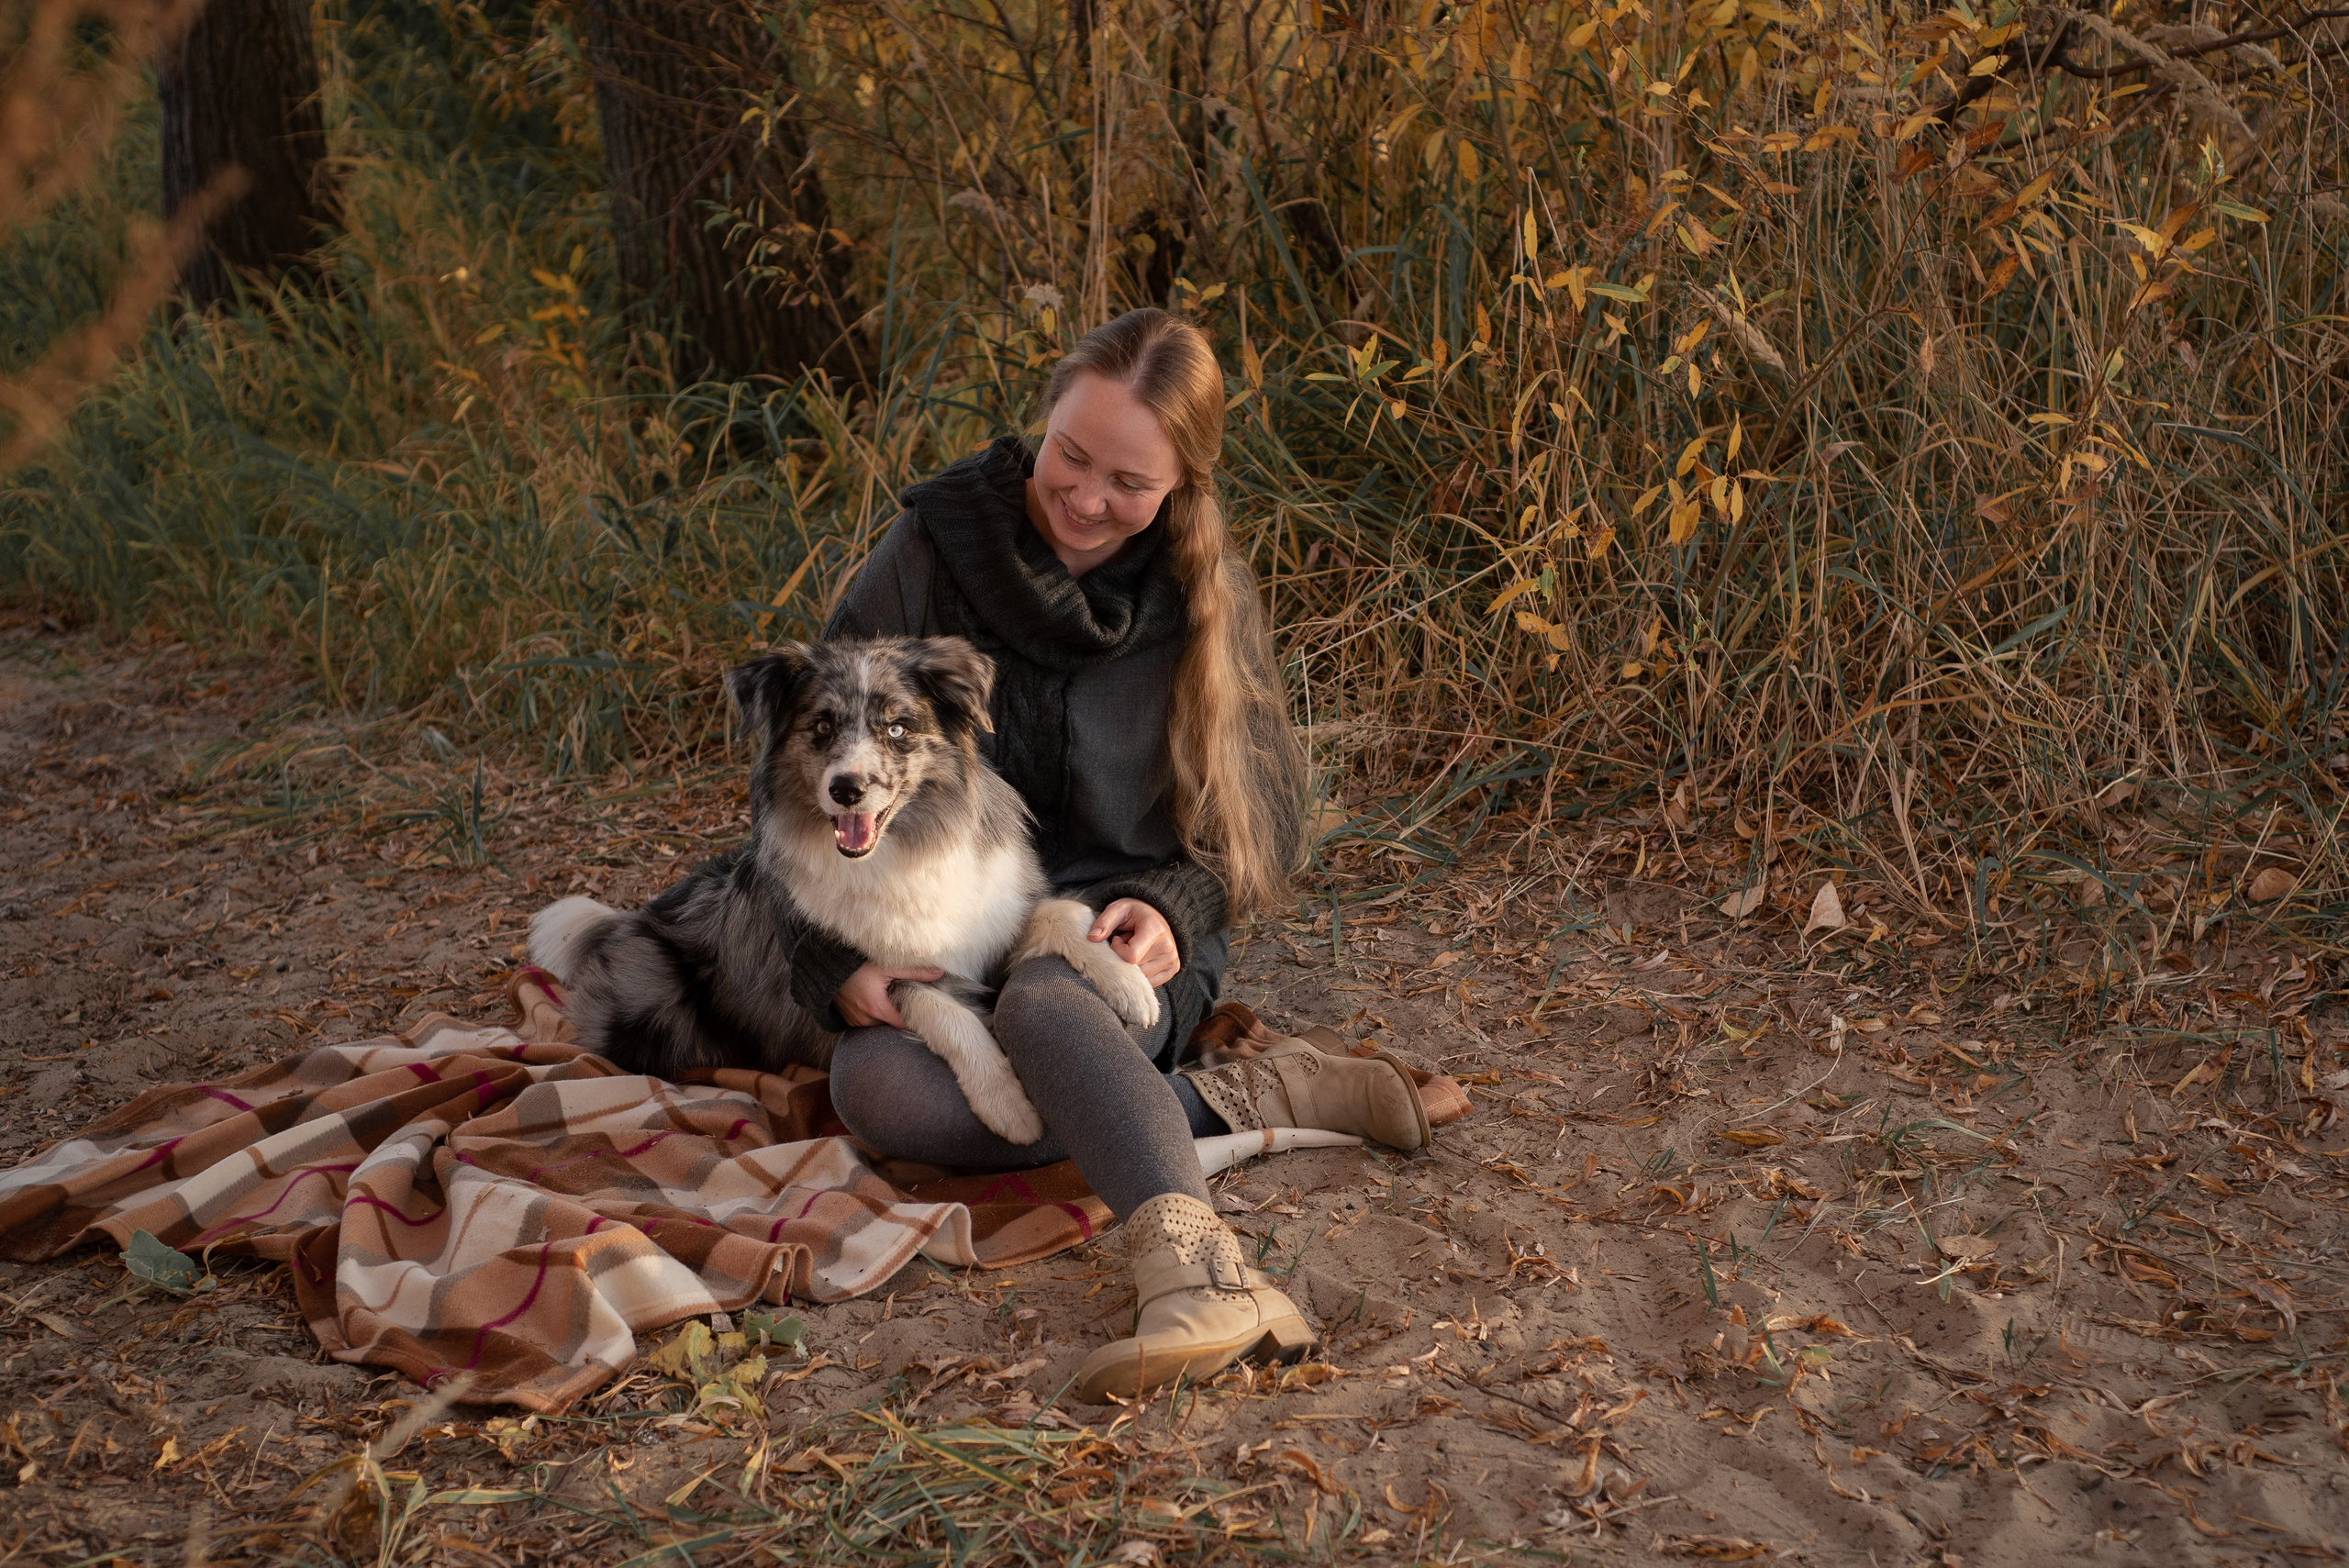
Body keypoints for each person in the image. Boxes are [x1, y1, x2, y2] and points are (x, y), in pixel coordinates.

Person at [790, 308, 1431, 1401]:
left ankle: (1204, 1276)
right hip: (942, 933)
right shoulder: (934, 547)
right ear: (1042, 422)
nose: (1087, 499)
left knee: (1048, 1000)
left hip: (1112, 938)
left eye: (1128, 482)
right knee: (878, 1091)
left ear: (1181, 484)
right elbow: (808, 750)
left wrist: (1172, 902)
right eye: (1070, 456)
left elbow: (1264, 821)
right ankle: (1250, 1094)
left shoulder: (1200, 589)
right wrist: (819, 960)